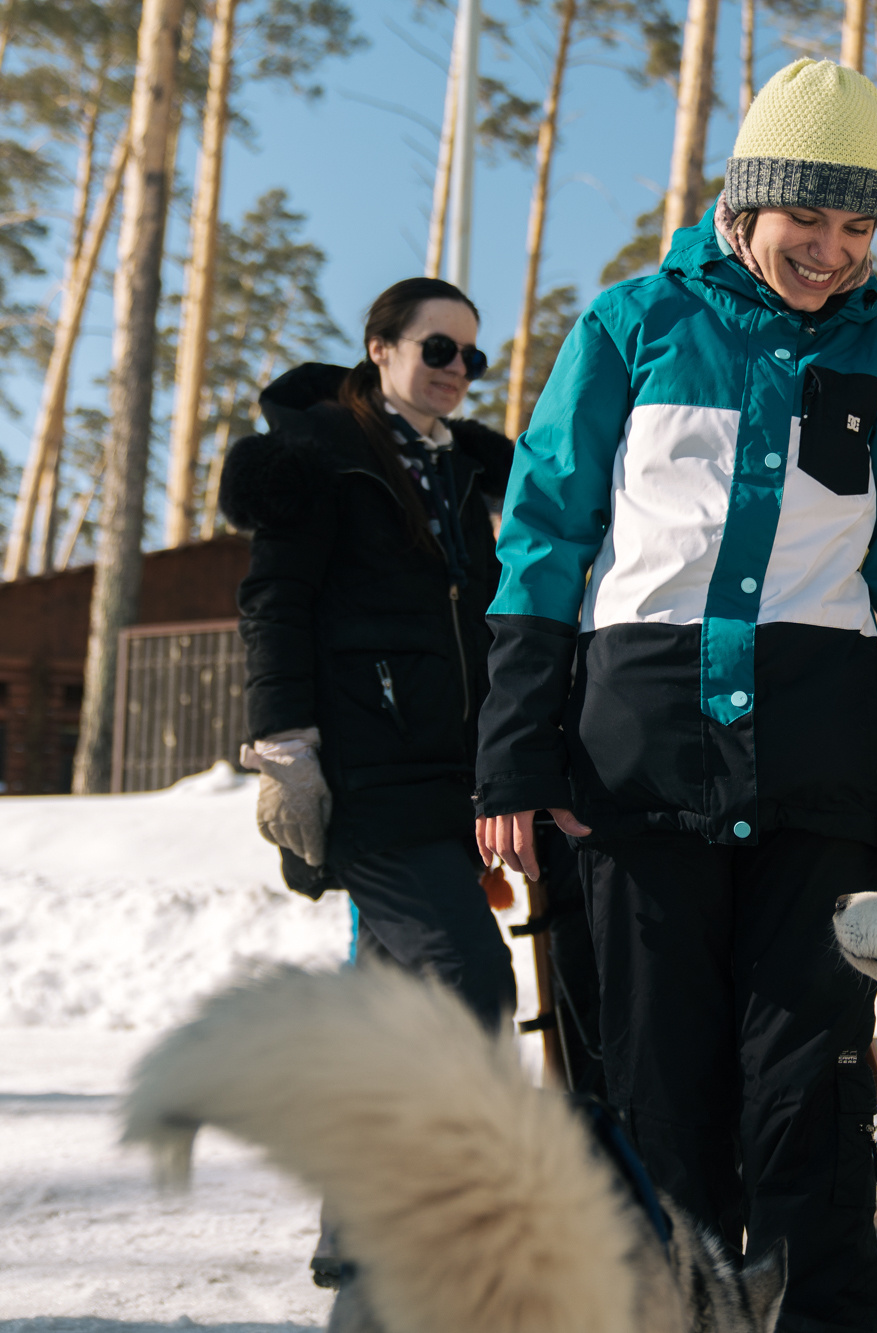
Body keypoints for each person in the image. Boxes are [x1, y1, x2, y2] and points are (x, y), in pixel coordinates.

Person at [472, 60, 877, 1333]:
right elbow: (543, 539)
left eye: (859, 228)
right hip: (635, 780)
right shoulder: (630, 326)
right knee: (652, 1101)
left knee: (805, 1097)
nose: (833, 251)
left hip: (817, 785)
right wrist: (515, 762)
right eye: (809, 220)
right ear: (742, 206)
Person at [218, 276, 519, 1284]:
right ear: (380, 348)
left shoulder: (467, 475)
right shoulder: (320, 454)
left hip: (453, 778)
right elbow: (275, 599)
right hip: (370, 778)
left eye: (473, 358)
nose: (457, 373)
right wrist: (285, 749)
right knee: (472, 981)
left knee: (389, 1004)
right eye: (438, 350)